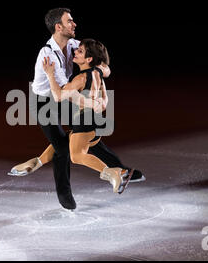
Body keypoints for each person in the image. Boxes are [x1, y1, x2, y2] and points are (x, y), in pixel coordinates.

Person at [13, 39, 145, 194]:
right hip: (95, 122)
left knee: (76, 156)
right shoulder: (97, 73)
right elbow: (104, 101)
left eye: (80, 52)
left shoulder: (81, 78)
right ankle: (38, 162)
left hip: (84, 122)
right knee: (66, 142)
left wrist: (50, 75)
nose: (75, 52)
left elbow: (57, 95)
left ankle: (114, 172)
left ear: (89, 59)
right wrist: (98, 103)